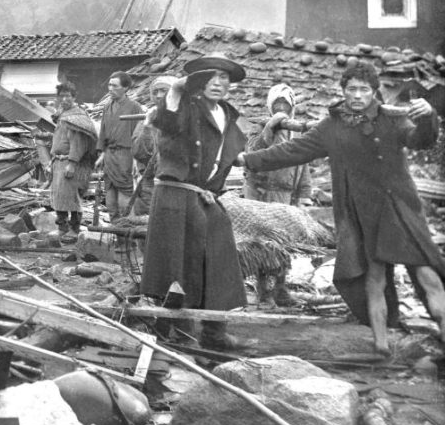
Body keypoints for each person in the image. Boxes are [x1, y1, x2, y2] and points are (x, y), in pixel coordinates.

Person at [238, 62, 445, 355]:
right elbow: (293, 151)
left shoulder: (392, 119)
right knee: (374, 279)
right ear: (344, 91)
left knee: (427, 275)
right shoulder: (331, 128)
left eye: (364, 89)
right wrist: (249, 159)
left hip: (401, 210)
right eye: (352, 89)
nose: (357, 95)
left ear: (374, 92)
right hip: (363, 215)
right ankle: (382, 345)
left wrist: (427, 118)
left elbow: (420, 140)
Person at [142, 53, 250, 350]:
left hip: (204, 194)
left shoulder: (227, 115)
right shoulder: (184, 108)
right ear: (197, 82)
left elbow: (231, 155)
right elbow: (167, 121)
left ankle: (215, 330)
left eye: (224, 77)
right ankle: (179, 331)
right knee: (179, 265)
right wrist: (176, 90)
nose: (218, 82)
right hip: (176, 194)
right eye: (210, 76)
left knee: (220, 252)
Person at [243, 83, 313, 206]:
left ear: (292, 106)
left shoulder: (296, 134)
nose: (281, 107)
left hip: (287, 198)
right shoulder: (258, 128)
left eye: (285, 103)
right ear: (270, 105)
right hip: (260, 196)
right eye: (277, 103)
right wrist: (269, 128)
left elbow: (303, 168)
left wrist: (304, 195)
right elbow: (252, 154)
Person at [49, 82, 98, 241]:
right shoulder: (62, 114)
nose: (64, 99)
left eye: (68, 96)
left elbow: (78, 143)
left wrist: (72, 163)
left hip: (70, 162)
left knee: (71, 196)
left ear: (74, 97)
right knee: (59, 196)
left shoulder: (77, 117)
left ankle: (74, 228)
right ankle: (62, 227)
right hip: (58, 161)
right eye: (61, 96)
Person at [95, 72, 144, 220]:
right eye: (109, 85)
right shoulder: (107, 106)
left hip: (126, 155)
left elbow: (139, 136)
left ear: (126, 88)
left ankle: (128, 235)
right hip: (109, 155)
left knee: (125, 200)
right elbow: (103, 132)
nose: (110, 88)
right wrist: (101, 154)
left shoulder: (135, 107)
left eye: (114, 86)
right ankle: (117, 237)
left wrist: (136, 160)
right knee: (110, 201)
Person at [130, 76, 176, 215]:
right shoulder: (148, 118)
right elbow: (138, 152)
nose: (159, 95)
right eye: (155, 92)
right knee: (145, 223)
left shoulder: (187, 117)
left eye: (164, 90)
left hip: (176, 184)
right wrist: (148, 126)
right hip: (149, 183)